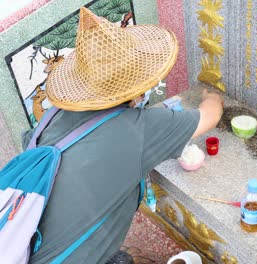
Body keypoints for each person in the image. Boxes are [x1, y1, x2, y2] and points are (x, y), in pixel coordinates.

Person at [23, 7, 223, 263]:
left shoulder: (54, 114)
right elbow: (210, 116)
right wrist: (212, 94)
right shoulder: (136, 129)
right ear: (137, 83)